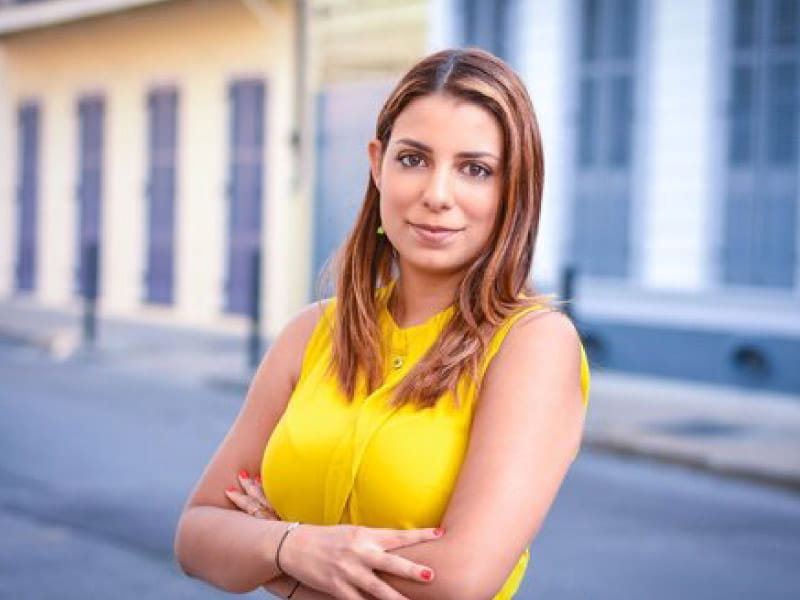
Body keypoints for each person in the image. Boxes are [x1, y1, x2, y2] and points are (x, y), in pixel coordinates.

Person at [174, 47, 591, 600]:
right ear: (377, 163)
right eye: (414, 159)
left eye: (475, 169)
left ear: (512, 189)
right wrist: (295, 547)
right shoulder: (310, 334)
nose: (436, 195)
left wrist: (273, 554)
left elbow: (457, 580)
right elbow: (198, 534)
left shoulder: (532, 345)